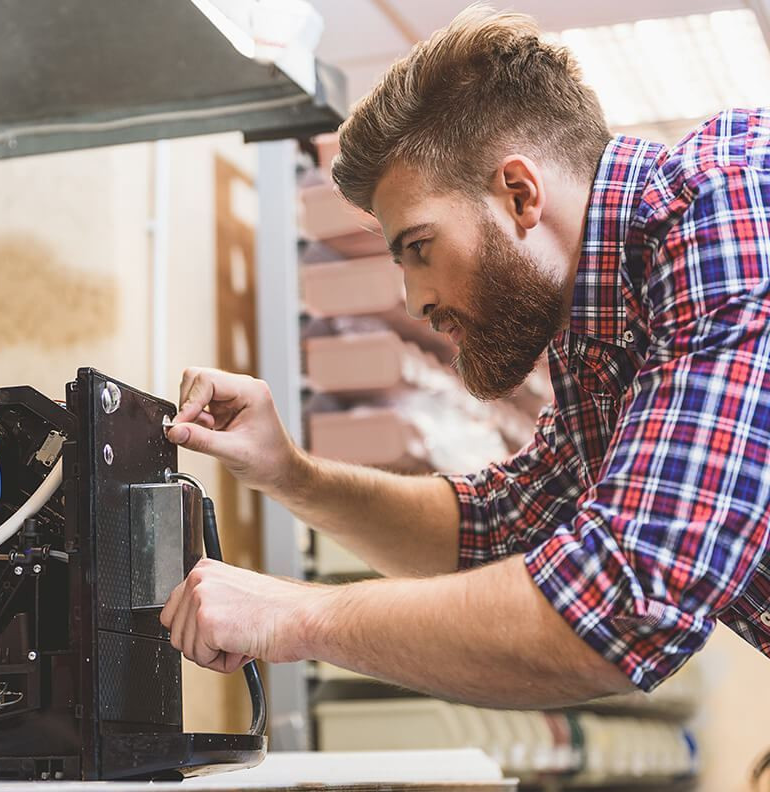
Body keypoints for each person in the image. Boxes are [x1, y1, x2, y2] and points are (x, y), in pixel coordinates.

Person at [159, 4, 770, 708]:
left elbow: (621, 602)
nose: (414, 299)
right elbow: (496, 530)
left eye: (419, 248)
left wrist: (295, 616)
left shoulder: (729, 210)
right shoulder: (599, 331)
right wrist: (290, 474)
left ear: (519, 192)